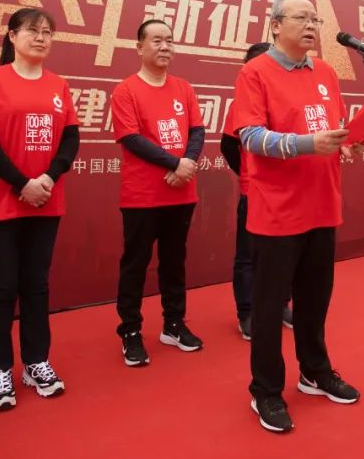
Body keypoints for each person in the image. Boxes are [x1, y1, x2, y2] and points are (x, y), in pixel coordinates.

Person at [230, 0, 362, 434]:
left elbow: (331, 128)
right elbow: (250, 136)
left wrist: (347, 140)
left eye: (315, 19)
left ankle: (314, 371)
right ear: (275, 25)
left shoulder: (324, 72)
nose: (311, 25)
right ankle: (265, 390)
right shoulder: (255, 72)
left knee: (315, 298)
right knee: (270, 307)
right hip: (278, 210)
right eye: (301, 18)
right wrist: (308, 144)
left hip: (323, 203)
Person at [0, 8, 80, 411]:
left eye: (48, 32)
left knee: (36, 286)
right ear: (12, 36)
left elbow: (70, 139)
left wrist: (47, 178)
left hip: (46, 201)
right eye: (32, 31)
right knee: (1, 289)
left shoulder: (58, 84)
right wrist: (22, 183)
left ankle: (36, 361)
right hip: (0, 205)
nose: (41, 37)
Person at [110, 19, 206, 367]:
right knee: (136, 264)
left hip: (181, 193)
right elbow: (132, 139)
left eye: (169, 40)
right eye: (156, 41)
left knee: (174, 261)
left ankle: (174, 324)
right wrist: (175, 163)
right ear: (139, 47)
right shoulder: (126, 91)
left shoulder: (184, 88)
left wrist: (187, 164)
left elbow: (197, 131)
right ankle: (131, 331)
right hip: (142, 195)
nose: (165, 47)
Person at [221, 42, 293, 341]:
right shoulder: (242, 104)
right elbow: (228, 146)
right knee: (249, 257)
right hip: (255, 194)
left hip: (289, 192)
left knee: (285, 254)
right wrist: (249, 175)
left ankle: (281, 304)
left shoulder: (288, 99)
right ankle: (247, 312)